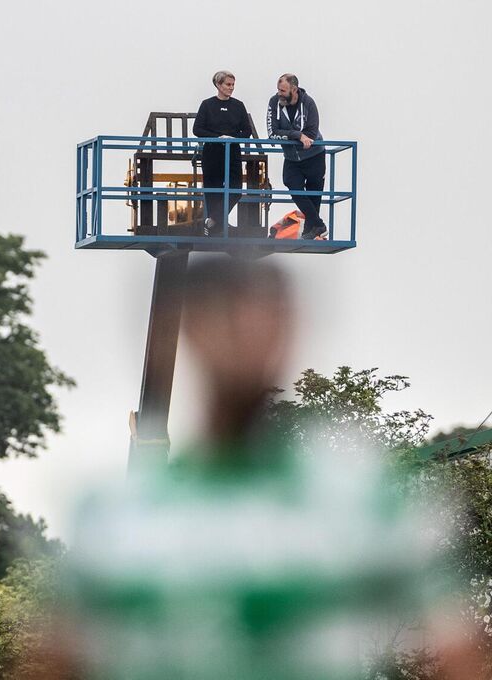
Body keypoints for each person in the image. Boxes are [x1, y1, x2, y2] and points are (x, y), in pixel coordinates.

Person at [40, 256, 485, 680]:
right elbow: (56, 657)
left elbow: (457, 651)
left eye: (270, 318)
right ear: (188, 328)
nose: (249, 339)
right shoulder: (112, 515)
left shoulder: (371, 501)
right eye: (229, 316)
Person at [267, 73, 327, 239]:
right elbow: (272, 133)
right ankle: (319, 224)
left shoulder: (308, 103)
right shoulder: (274, 102)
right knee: (292, 184)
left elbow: (311, 134)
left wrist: (298, 136)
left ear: (294, 89)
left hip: (315, 155)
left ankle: (311, 230)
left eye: (283, 90)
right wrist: (297, 135)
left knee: (314, 193)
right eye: (278, 89)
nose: (279, 93)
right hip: (292, 158)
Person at [193, 71, 253, 236]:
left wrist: (232, 138)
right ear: (218, 85)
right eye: (228, 84)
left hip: (232, 151)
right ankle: (216, 228)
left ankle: (212, 221)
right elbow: (197, 129)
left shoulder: (238, 105)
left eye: (233, 84)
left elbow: (246, 130)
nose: (231, 88)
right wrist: (218, 137)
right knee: (213, 191)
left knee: (235, 191)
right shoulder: (207, 104)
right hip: (212, 152)